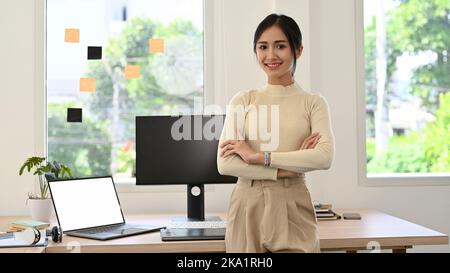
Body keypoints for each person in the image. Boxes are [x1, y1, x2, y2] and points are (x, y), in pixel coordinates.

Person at [217, 13, 335, 253]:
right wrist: (291, 166)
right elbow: (226, 163)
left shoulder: (313, 103)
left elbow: (324, 157)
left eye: (280, 46)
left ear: (297, 50)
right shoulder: (243, 100)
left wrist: (259, 157)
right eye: (263, 47)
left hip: (293, 202)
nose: (270, 55)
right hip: (246, 204)